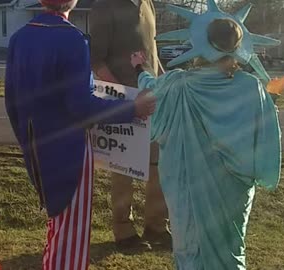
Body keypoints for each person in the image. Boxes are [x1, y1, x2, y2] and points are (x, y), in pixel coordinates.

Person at [4, 0, 156, 269]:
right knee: (71, 240)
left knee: (58, 228)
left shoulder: (19, 37)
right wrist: (132, 107)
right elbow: (83, 107)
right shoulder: (73, 39)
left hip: (36, 147)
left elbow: (11, 103)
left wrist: (28, 142)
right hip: (69, 151)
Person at [130, 2, 282, 269]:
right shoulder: (251, 89)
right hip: (233, 188)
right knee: (230, 249)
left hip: (187, 188)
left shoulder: (178, 86)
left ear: (199, 43)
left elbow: (151, 92)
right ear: (238, 48)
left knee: (191, 249)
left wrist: (140, 69)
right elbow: (267, 136)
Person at [89, 0, 171, 251]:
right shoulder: (105, 7)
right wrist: (124, 96)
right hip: (123, 107)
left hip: (152, 104)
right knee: (124, 170)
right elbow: (96, 60)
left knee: (158, 166)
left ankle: (157, 226)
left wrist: (164, 83)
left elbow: (151, 54)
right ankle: (124, 231)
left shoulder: (148, 4)